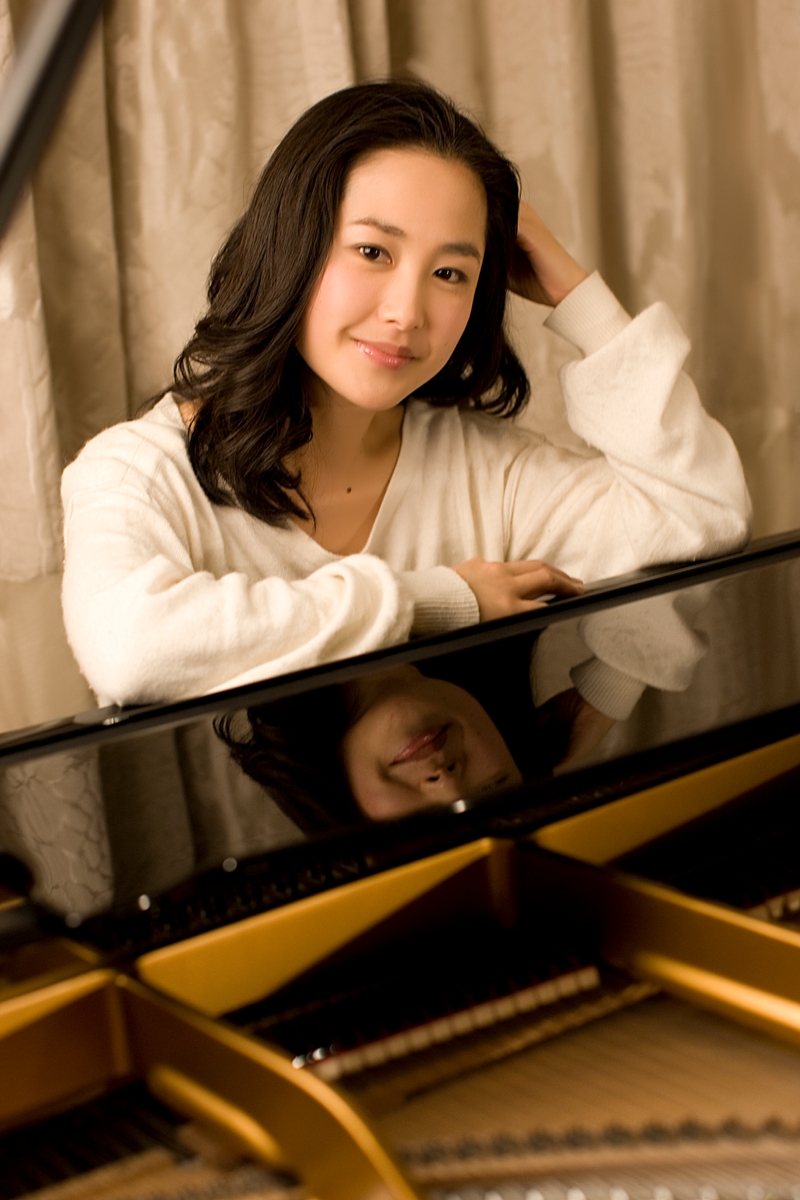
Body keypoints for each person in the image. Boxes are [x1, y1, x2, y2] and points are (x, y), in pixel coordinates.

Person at [61, 80, 752, 709]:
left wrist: (580, 299)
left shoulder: (489, 474)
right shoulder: (135, 472)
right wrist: (438, 601)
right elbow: (131, 652)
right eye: (372, 252)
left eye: (451, 272)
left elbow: (701, 515)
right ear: (291, 249)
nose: (407, 311)